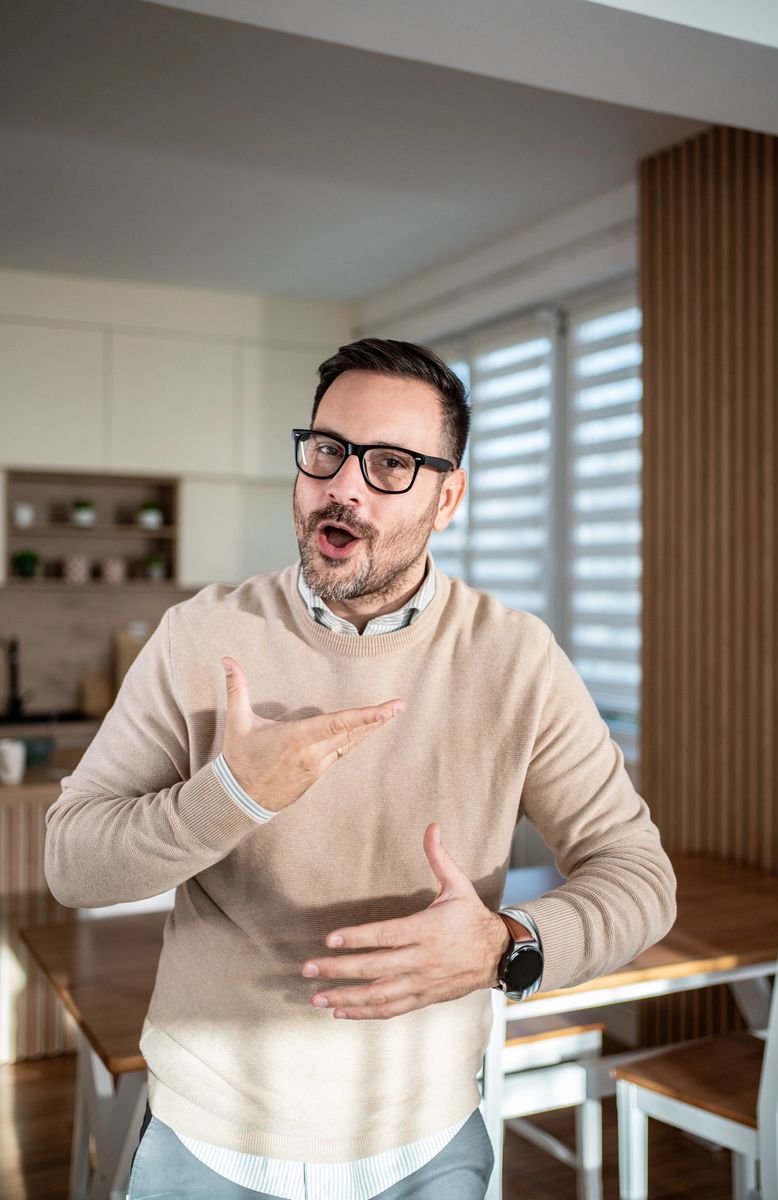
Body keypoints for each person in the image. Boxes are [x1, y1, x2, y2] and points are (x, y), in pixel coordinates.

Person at [44, 337, 676, 1200]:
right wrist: (227, 797)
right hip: (206, 1149)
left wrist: (506, 946)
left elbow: (639, 876)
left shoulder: (516, 659)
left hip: (430, 1150)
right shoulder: (200, 636)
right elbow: (71, 861)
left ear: (448, 496)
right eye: (327, 451)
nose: (343, 484)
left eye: (390, 464)